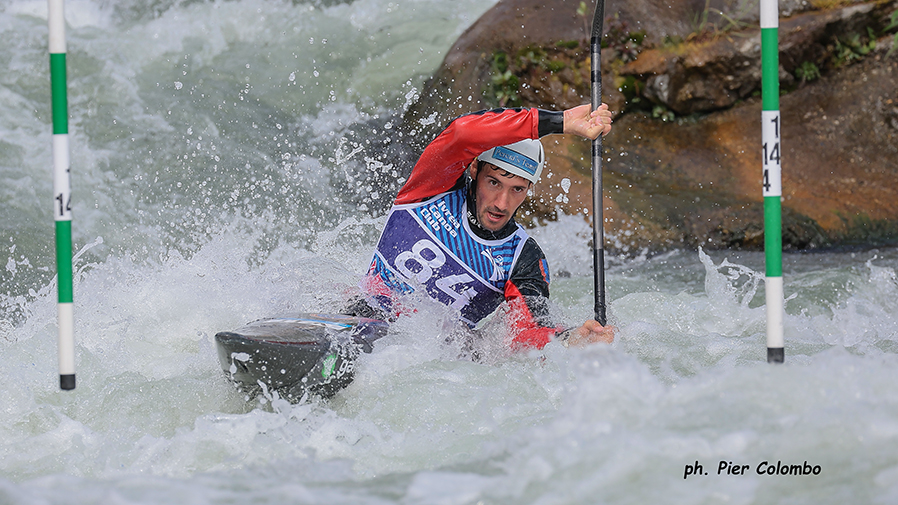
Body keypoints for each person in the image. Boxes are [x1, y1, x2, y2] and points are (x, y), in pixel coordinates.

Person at [346, 104, 615, 349]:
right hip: (362, 318)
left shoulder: (522, 257)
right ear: (475, 169)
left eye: (517, 189)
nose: (501, 202)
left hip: (427, 361)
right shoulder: (432, 188)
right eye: (494, 182)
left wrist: (570, 341)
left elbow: (529, 331)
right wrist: (560, 121)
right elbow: (462, 133)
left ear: (529, 189)